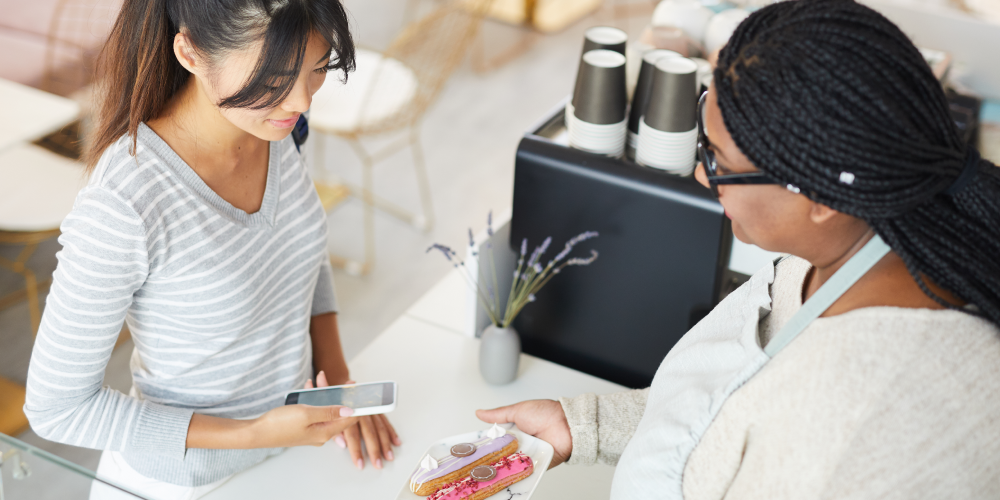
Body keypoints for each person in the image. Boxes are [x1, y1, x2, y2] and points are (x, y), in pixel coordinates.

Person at [478, 0, 1000, 498]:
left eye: (720, 162)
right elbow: (733, 410)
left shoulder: (861, 430)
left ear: (818, 194)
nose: (704, 175)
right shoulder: (849, 247)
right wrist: (582, 425)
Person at [23, 0, 400, 498]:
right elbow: (57, 408)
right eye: (275, 79)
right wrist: (249, 434)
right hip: (183, 482)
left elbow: (298, 255)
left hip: (290, 455)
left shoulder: (272, 127)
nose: (302, 102)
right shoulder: (126, 204)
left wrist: (340, 393)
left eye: (318, 69)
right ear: (191, 53)